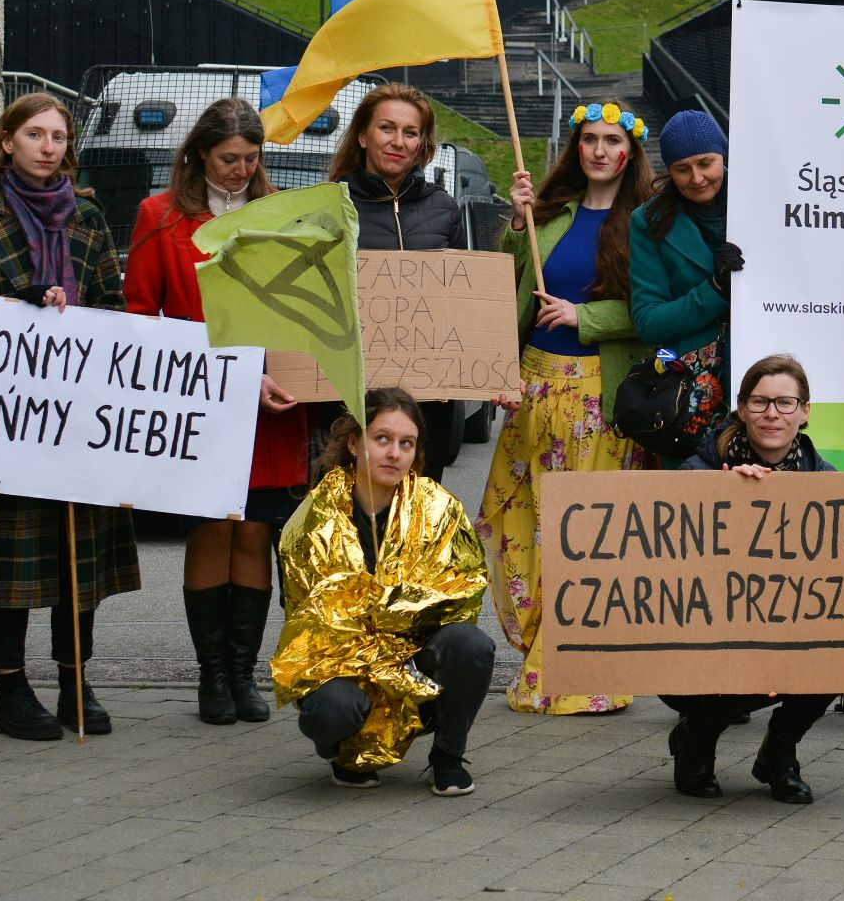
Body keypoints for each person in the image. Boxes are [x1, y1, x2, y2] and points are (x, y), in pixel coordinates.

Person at [0, 93, 136, 740]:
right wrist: (15, 305)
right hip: (3, 420)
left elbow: (113, 300)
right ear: (9, 142)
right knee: (7, 555)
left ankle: (75, 679)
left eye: (59, 135)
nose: (49, 145)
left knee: (76, 550)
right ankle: (10, 690)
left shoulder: (89, 217)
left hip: (76, 416)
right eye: (36, 133)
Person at [123, 98, 305, 726]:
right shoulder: (158, 215)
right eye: (229, 158)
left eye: (251, 160)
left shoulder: (275, 216)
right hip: (198, 399)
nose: (239, 170)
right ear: (200, 153)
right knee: (211, 530)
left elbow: (302, 306)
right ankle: (210, 678)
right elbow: (142, 316)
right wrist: (227, 371)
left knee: (256, 531)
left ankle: (242, 674)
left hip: (271, 400)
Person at [477, 100, 652, 715]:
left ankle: (575, 669)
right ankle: (540, 652)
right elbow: (511, 283)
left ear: (630, 153)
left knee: (585, 535)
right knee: (510, 522)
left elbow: (660, 310)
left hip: (596, 399)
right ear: (576, 149)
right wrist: (517, 221)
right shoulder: (552, 214)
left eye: (612, 141)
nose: (600, 150)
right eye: (589, 140)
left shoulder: (647, 223)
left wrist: (588, 318)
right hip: (532, 388)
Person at [272, 388, 494, 795]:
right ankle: (343, 747)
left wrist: (391, 609)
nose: (394, 453)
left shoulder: (438, 508)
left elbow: (463, 591)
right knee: (331, 711)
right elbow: (310, 609)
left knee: (471, 645)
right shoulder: (314, 515)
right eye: (382, 439)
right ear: (355, 443)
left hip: (415, 654)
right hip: (339, 656)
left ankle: (447, 755)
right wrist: (380, 611)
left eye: (405, 443)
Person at [662, 354, 838, 803]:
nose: (772, 414)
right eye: (760, 402)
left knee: (839, 656)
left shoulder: (827, 484)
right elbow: (665, 559)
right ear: (741, 408)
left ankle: (779, 755)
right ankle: (695, 742)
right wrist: (720, 495)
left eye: (785, 402)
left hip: (786, 633)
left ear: (805, 411)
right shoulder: (700, 469)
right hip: (705, 639)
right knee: (736, 670)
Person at [325, 82, 466, 477]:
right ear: (363, 135)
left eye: (411, 132)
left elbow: (462, 303)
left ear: (422, 143)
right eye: (387, 128)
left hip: (426, 408)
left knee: (415, 522)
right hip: (348, 405)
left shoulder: (444, 209)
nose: (398, 142)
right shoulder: (330, 207)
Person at [629, 109, 736, 456]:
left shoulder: (764, 202)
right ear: (669, 171)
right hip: (689, 394)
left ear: (724, 155)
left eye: (706, 163)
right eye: (682, 169)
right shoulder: (648, 221)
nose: (697, 177)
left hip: (763, 378)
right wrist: (714, 291)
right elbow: (649, 322)